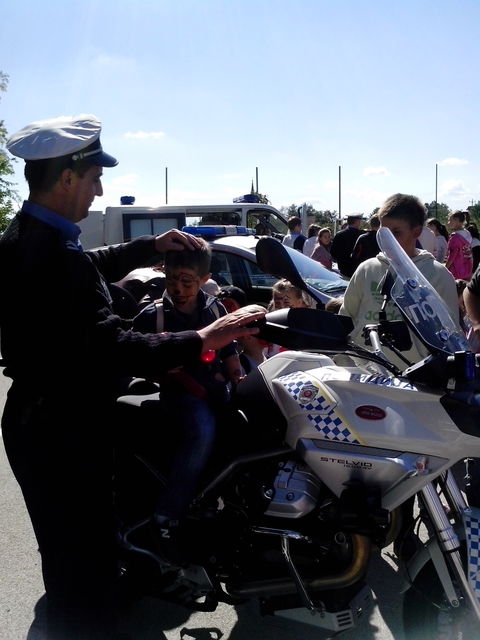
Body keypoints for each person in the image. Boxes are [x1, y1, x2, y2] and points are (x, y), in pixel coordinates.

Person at [0, 114, 264, 640]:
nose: (99, 189)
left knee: (76, 547)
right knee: (82, 562)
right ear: (68, 177)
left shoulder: (32, 236)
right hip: (61, 429)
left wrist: (149, 247)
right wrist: (204, 338)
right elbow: (114, 348)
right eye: (94, 177)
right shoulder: (48, 253)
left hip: (45, 419)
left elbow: (88, 264)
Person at [132, 238, 242, 549]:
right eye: (171, 280)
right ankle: (167, 514)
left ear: (205, 280)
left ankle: (224, 500)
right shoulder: (153, 316)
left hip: (216, 390)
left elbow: (230, 350)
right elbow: (131, 357)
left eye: (187, 282)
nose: (178, 289)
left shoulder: (216, 309)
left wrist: (239, 378)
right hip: (179, 396)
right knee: (202, 427)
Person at [339, 193, 460, 370]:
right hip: (367, 373)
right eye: (383, 233)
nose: (387, 240)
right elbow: (346, 316)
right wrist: (344, 363)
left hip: (416, 376)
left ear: (416, 232)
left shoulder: (438, 275)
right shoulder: (367, 269)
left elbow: (451, 332)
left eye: (396, 233)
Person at [330, 213, 365, 277]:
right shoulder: (362, 235)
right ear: (357, 221)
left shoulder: (339, 235)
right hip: (359, 270)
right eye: (360, 220)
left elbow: (333, 253)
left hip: (344, 269)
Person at [445, 210, 473, 280]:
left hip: (456, 273)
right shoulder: (467, 234)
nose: (448, 223)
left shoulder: (454, 238)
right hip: (467, 270)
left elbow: (451, 257)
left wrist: (445, 269)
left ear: (456, 220)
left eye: (450, 220)